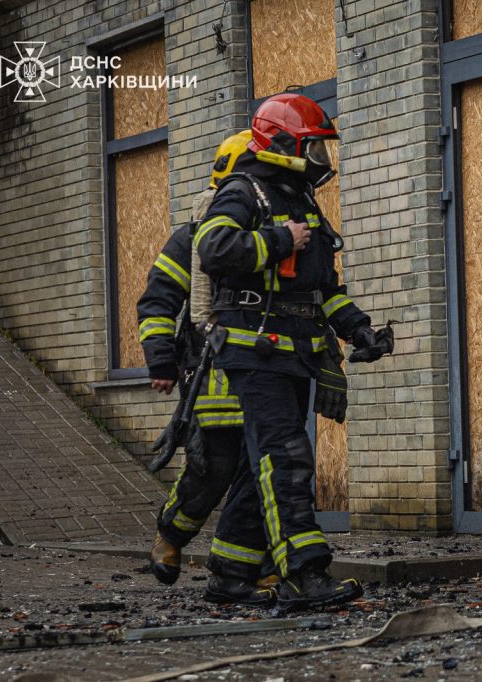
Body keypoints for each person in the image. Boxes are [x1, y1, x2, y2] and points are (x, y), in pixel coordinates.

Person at [194, 93, 386, 611]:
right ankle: (305, 575)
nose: (323, 161)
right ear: (281, 144)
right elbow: (213, 249)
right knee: (287, 461)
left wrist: (359, 329)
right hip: (254, 353)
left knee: (266, 467)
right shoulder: (244, 191)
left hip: (293, 353)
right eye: (315, 149)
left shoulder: (302, 201)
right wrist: (279, 239)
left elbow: (321, 288)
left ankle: (232, 576)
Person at [137, 130, 277, 606]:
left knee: (265, 473)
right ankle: (170, 536)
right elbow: (158, 300)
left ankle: (246, 569)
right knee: (211, 467)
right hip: (211, 372)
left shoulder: (270, 229)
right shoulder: (196, 235)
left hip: (266, 370)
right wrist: (160, 359)